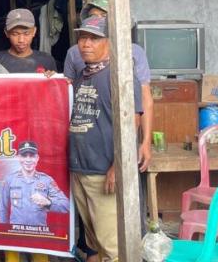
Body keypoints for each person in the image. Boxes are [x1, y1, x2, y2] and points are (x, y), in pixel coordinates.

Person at [69, 16, 143, 262]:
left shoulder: (120, 76)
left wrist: (117, 166)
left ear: (110, 42)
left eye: (94, 38)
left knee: (113, 247)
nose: (86, 44)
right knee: (94, 243)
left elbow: (132, 123)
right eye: (82, 37)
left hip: (103, 171)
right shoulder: (82, 75)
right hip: (80, 169)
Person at [63, 0, 153, 171]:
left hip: (115, 144)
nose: (98, 21)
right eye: (93, 16)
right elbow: (68, 93)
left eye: (104, 17)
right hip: (84, 148)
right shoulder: (75, 53)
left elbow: (144, 99)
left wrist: (146, 141)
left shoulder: (134, 52)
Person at [0, 140, 69, 226]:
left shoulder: (46, 180)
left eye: (32, 156)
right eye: (24, 156)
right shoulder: (10, 179)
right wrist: (2, 230)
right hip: (16, 231)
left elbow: (66, 205)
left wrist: (48, 202)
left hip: (39, 232)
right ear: (19, 158)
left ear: (37, 158)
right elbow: (3, 208)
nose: (28, 160)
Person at [0, 8, 57, 74]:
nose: (21, 40)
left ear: (34, 31)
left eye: (26, 33)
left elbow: (54, 84)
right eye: (15, 34)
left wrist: (53, 78)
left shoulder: (47, 60)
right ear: (6, 33)